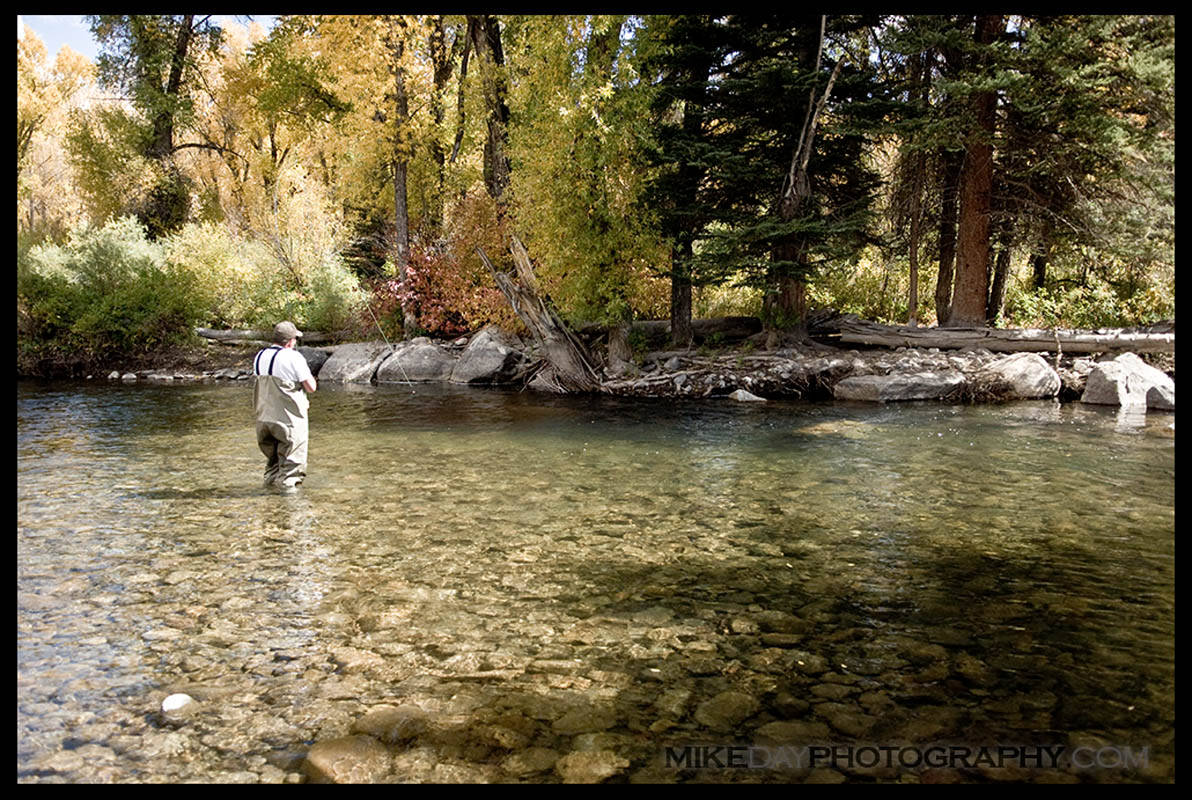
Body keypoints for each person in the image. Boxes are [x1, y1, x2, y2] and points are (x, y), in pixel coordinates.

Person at [253, 321, 317, 489]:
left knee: (273, 466)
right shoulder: (294, 357)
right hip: (288, 422)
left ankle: (269, 505)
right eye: (295, 339)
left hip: (264, 421)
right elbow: (311, 387)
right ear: (290, 341)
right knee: (291, 472)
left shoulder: (259, 356)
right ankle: (290, 510)